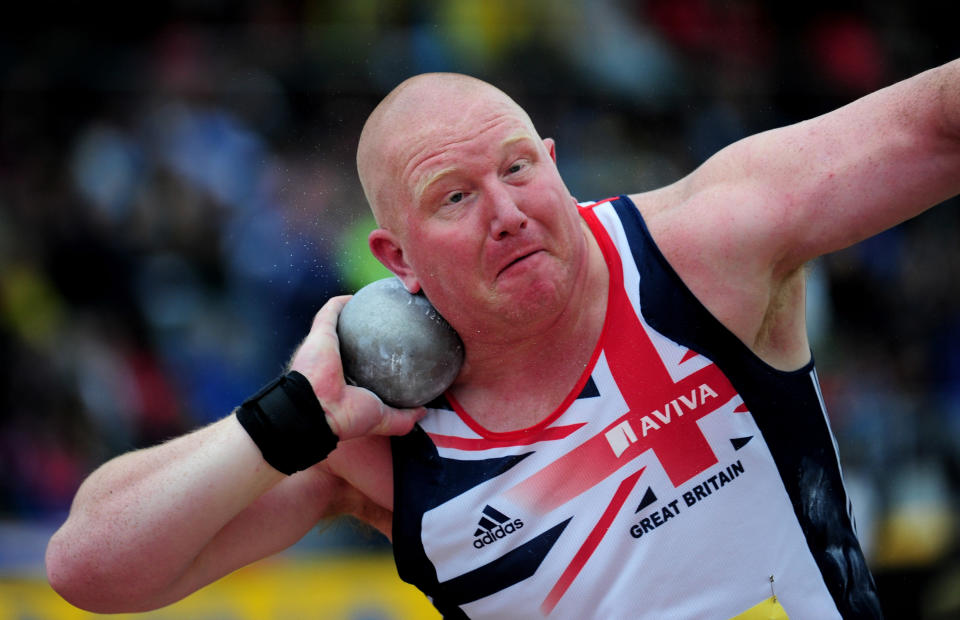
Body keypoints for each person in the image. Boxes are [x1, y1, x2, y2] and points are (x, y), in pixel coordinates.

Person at [46, 60, 959, 619]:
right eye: (455, 196)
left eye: (519, 168)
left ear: (554, 164)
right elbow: (91, 569)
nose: (509, 212)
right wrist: (288, 416)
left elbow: (933, 126)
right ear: (395, 257)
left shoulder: (708, 250)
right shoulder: (375, 442)